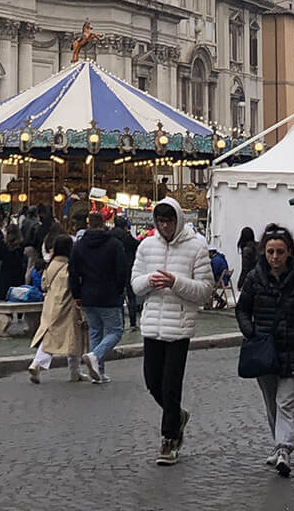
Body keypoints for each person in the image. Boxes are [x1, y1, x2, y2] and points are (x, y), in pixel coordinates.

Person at [236, 224, 294, 479]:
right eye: (271, 252)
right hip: (264, 349)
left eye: (280, 252)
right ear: (264, 252)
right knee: (271, 401)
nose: (275, 257)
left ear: (289, 253)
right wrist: (250, 331)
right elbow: (242, 309)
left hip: (293, 348)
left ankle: (284, 448)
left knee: (286, 401)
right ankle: (278, 443)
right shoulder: (255, 278)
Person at [131, 197, 215, 465]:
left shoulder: (196, 247)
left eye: (169, 221)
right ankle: (177, 415)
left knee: (170, 384)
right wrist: (149, 281)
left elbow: (205, 290)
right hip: (152, 324)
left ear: (178, 220)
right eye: (160, 221)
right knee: (152, 382)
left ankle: (169, 438)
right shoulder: (146, 246)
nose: (165, 226)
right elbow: (135, 284)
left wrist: (175, 282)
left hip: (179, 325)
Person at [70, 211, 129, 384]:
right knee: (115, 331)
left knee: (95, 331)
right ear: (103, 224)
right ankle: (95, 357)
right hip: (109, 294)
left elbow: (73, 272)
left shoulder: (79, 246)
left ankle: (98, 372)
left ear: (88, 225)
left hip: (87, 294)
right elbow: (121, 270)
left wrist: (77, 294)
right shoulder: (114, 244)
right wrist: (120, 290)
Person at [28, 234, 86, 383]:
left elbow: (43, 284)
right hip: (67, 306)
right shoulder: (69, 266)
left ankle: (38, 363)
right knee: (72, 337)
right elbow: (73, 285)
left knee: (50, 335)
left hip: (50, 304)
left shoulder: (51, 264)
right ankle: (73, 371)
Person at [110, 215, 141, 328]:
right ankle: (132, 323)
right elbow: (138, 245)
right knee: (131, 296)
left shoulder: (109, 236)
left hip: (113, 269)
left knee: (118, 296)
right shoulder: (128, 237)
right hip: (129, 268)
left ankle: (120, 322)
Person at [0, 222, 24, 301]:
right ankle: (20, 313)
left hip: (5, 271)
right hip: (18, 271)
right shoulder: (21, 244)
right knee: (19, 295)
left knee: (5, 295)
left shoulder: (3, 244)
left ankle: (8, 313)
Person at [237, 227, 258, 292]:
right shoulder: (258, 246)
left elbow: (245, 268)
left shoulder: (246, 249)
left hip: (251, 279)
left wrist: (240, 283)